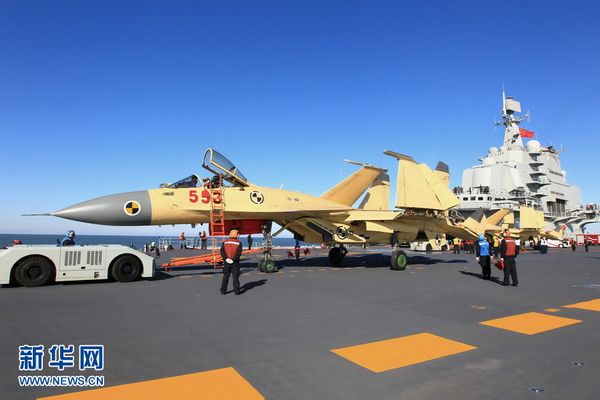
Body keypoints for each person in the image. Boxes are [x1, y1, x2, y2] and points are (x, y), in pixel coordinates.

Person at [220, 229, 243, 295]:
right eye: (238, 234)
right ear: (236, 235)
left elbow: (222, 251)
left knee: (225, 277)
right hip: (235, 263)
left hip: (226, 262)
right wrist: (233, 259)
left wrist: (226, 258)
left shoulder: (225, 242)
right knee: (235, 277)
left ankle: (223, 291)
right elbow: (238, 253)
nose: (238, 235)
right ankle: (236, 291)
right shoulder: (238, 243)